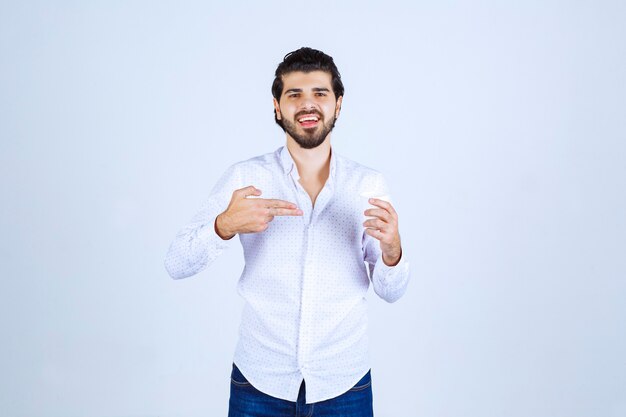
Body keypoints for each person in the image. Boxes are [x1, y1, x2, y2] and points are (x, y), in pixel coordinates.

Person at [164, 47, 410, 417]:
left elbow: (391, 291)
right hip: (259, 381)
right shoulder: (246, 178)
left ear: (338, 105)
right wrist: (224, 226)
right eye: (294, 94)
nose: (307, 104)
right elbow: (176, 262)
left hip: (344, 382)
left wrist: (393, 250)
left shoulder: (367, 184)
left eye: (320, 94)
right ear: (277, 107)